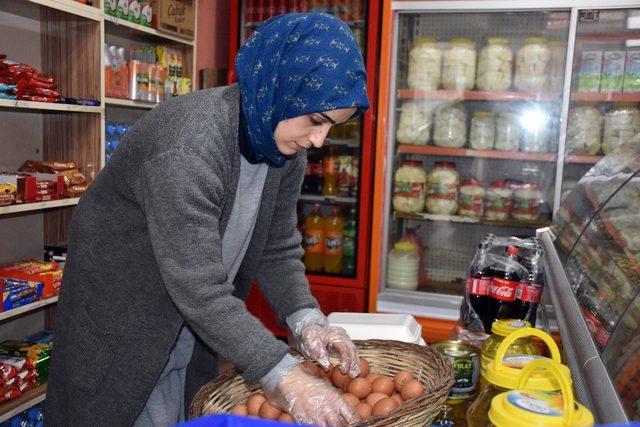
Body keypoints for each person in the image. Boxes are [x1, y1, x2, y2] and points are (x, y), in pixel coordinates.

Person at [45, 12, 369, 427]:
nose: (319, 140)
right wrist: (286, 378)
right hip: (121, 330)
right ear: (279, 88)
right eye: (316, 120)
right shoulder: (189, 144)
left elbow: (276, 246)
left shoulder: (284, 147)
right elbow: (200, 288)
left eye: (332, 127)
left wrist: (305, 318)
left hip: (188, 327)